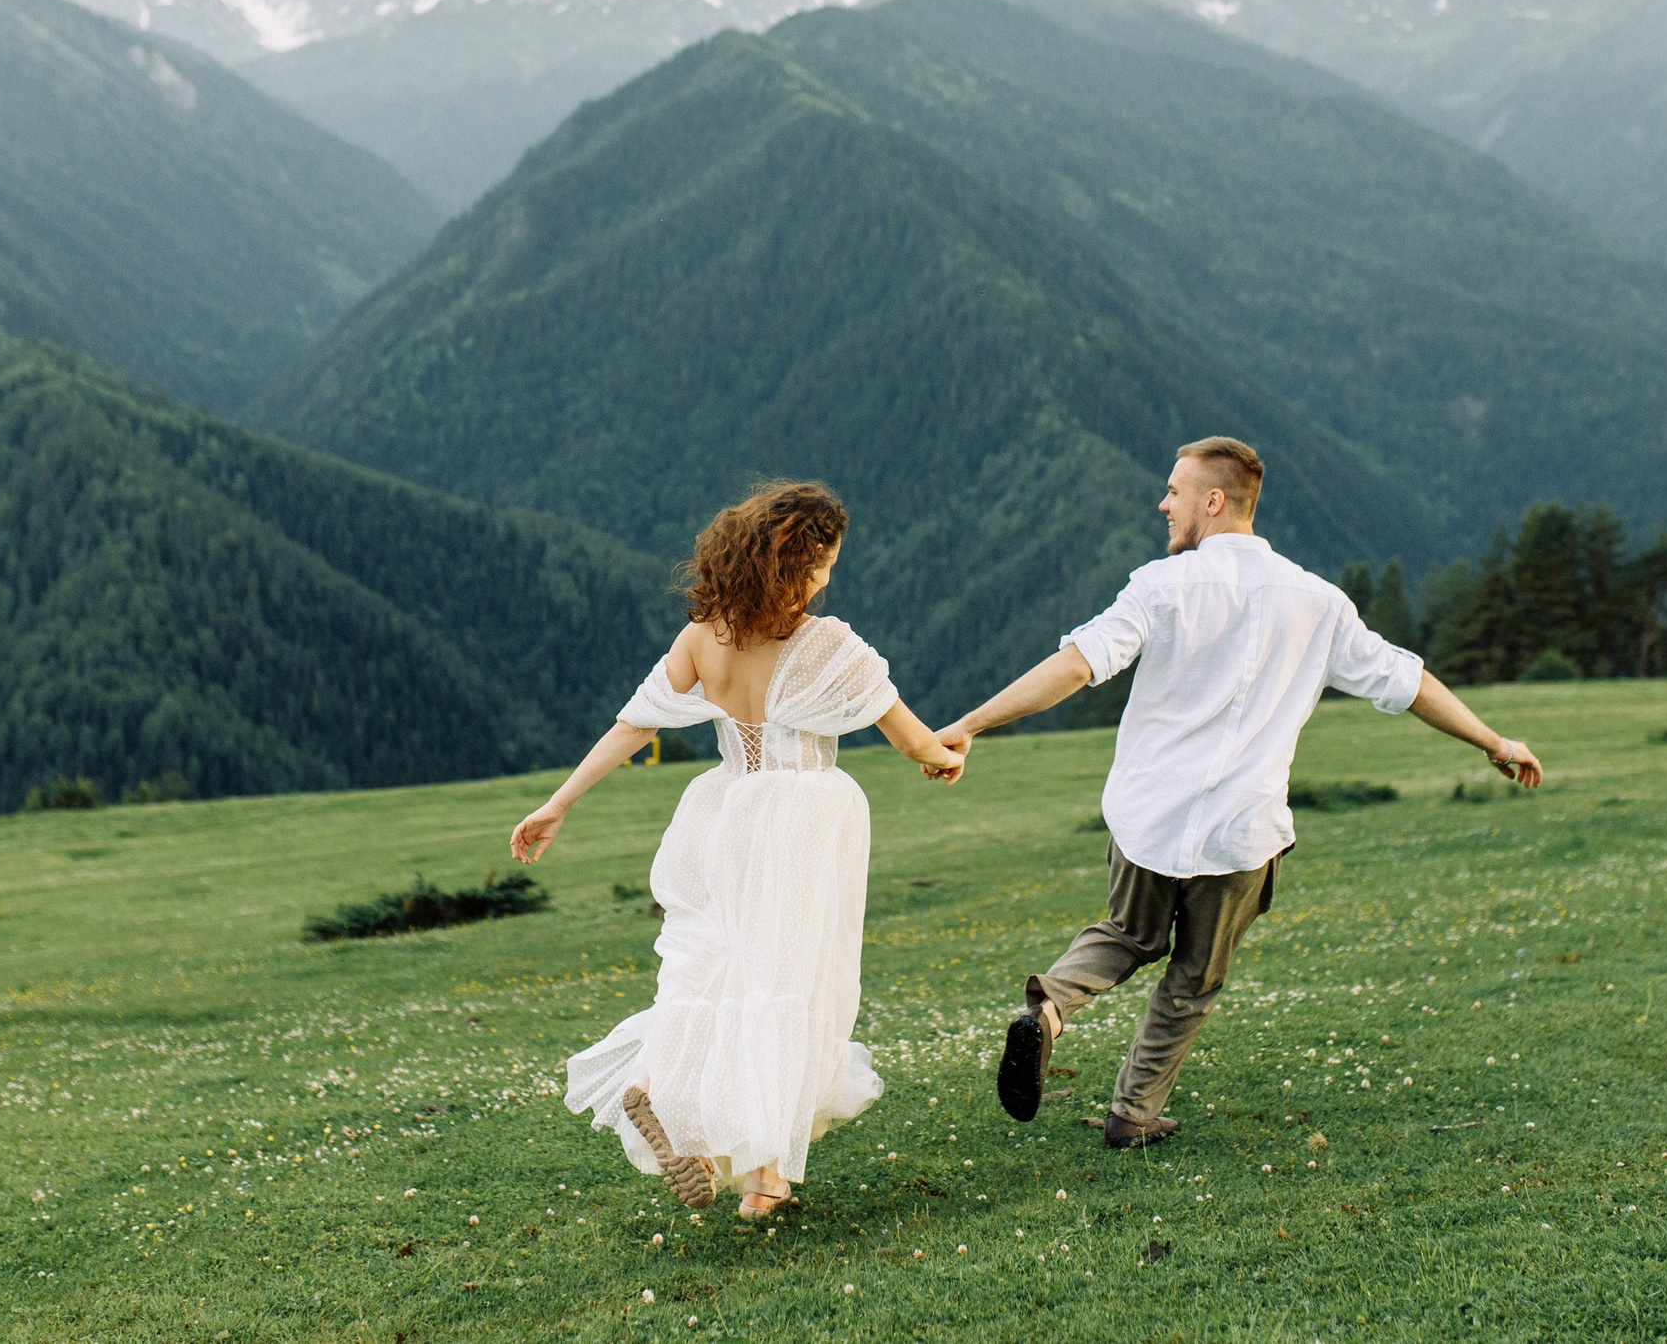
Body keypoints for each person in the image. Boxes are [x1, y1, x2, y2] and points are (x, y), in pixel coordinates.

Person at [936, 437, 1541, 1150]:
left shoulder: (1160, 587)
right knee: (1192, 980)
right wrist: (1494, 742)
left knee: (1126, 933)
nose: (1164, 503)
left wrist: (972, 722)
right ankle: (1133, 1113)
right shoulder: (1320, 603)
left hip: (1148, 819)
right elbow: (1408, 684)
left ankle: (1049, 1008)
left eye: (1174, 490)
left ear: (1212, 501)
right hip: (1240, 832)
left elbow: (1076, 666)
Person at [512, 481, 964, 1217]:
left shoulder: (702, 637)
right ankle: (764, 1177)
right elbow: (915, 740)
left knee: (709, 977)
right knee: (789, 983)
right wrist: (948, 754)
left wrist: (558, 801)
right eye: (824, 565)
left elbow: (635, 724)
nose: (828, 580)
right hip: (803, 825)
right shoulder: (828, 644)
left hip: (724, 816)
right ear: (799, 565)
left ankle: (666, 1096)